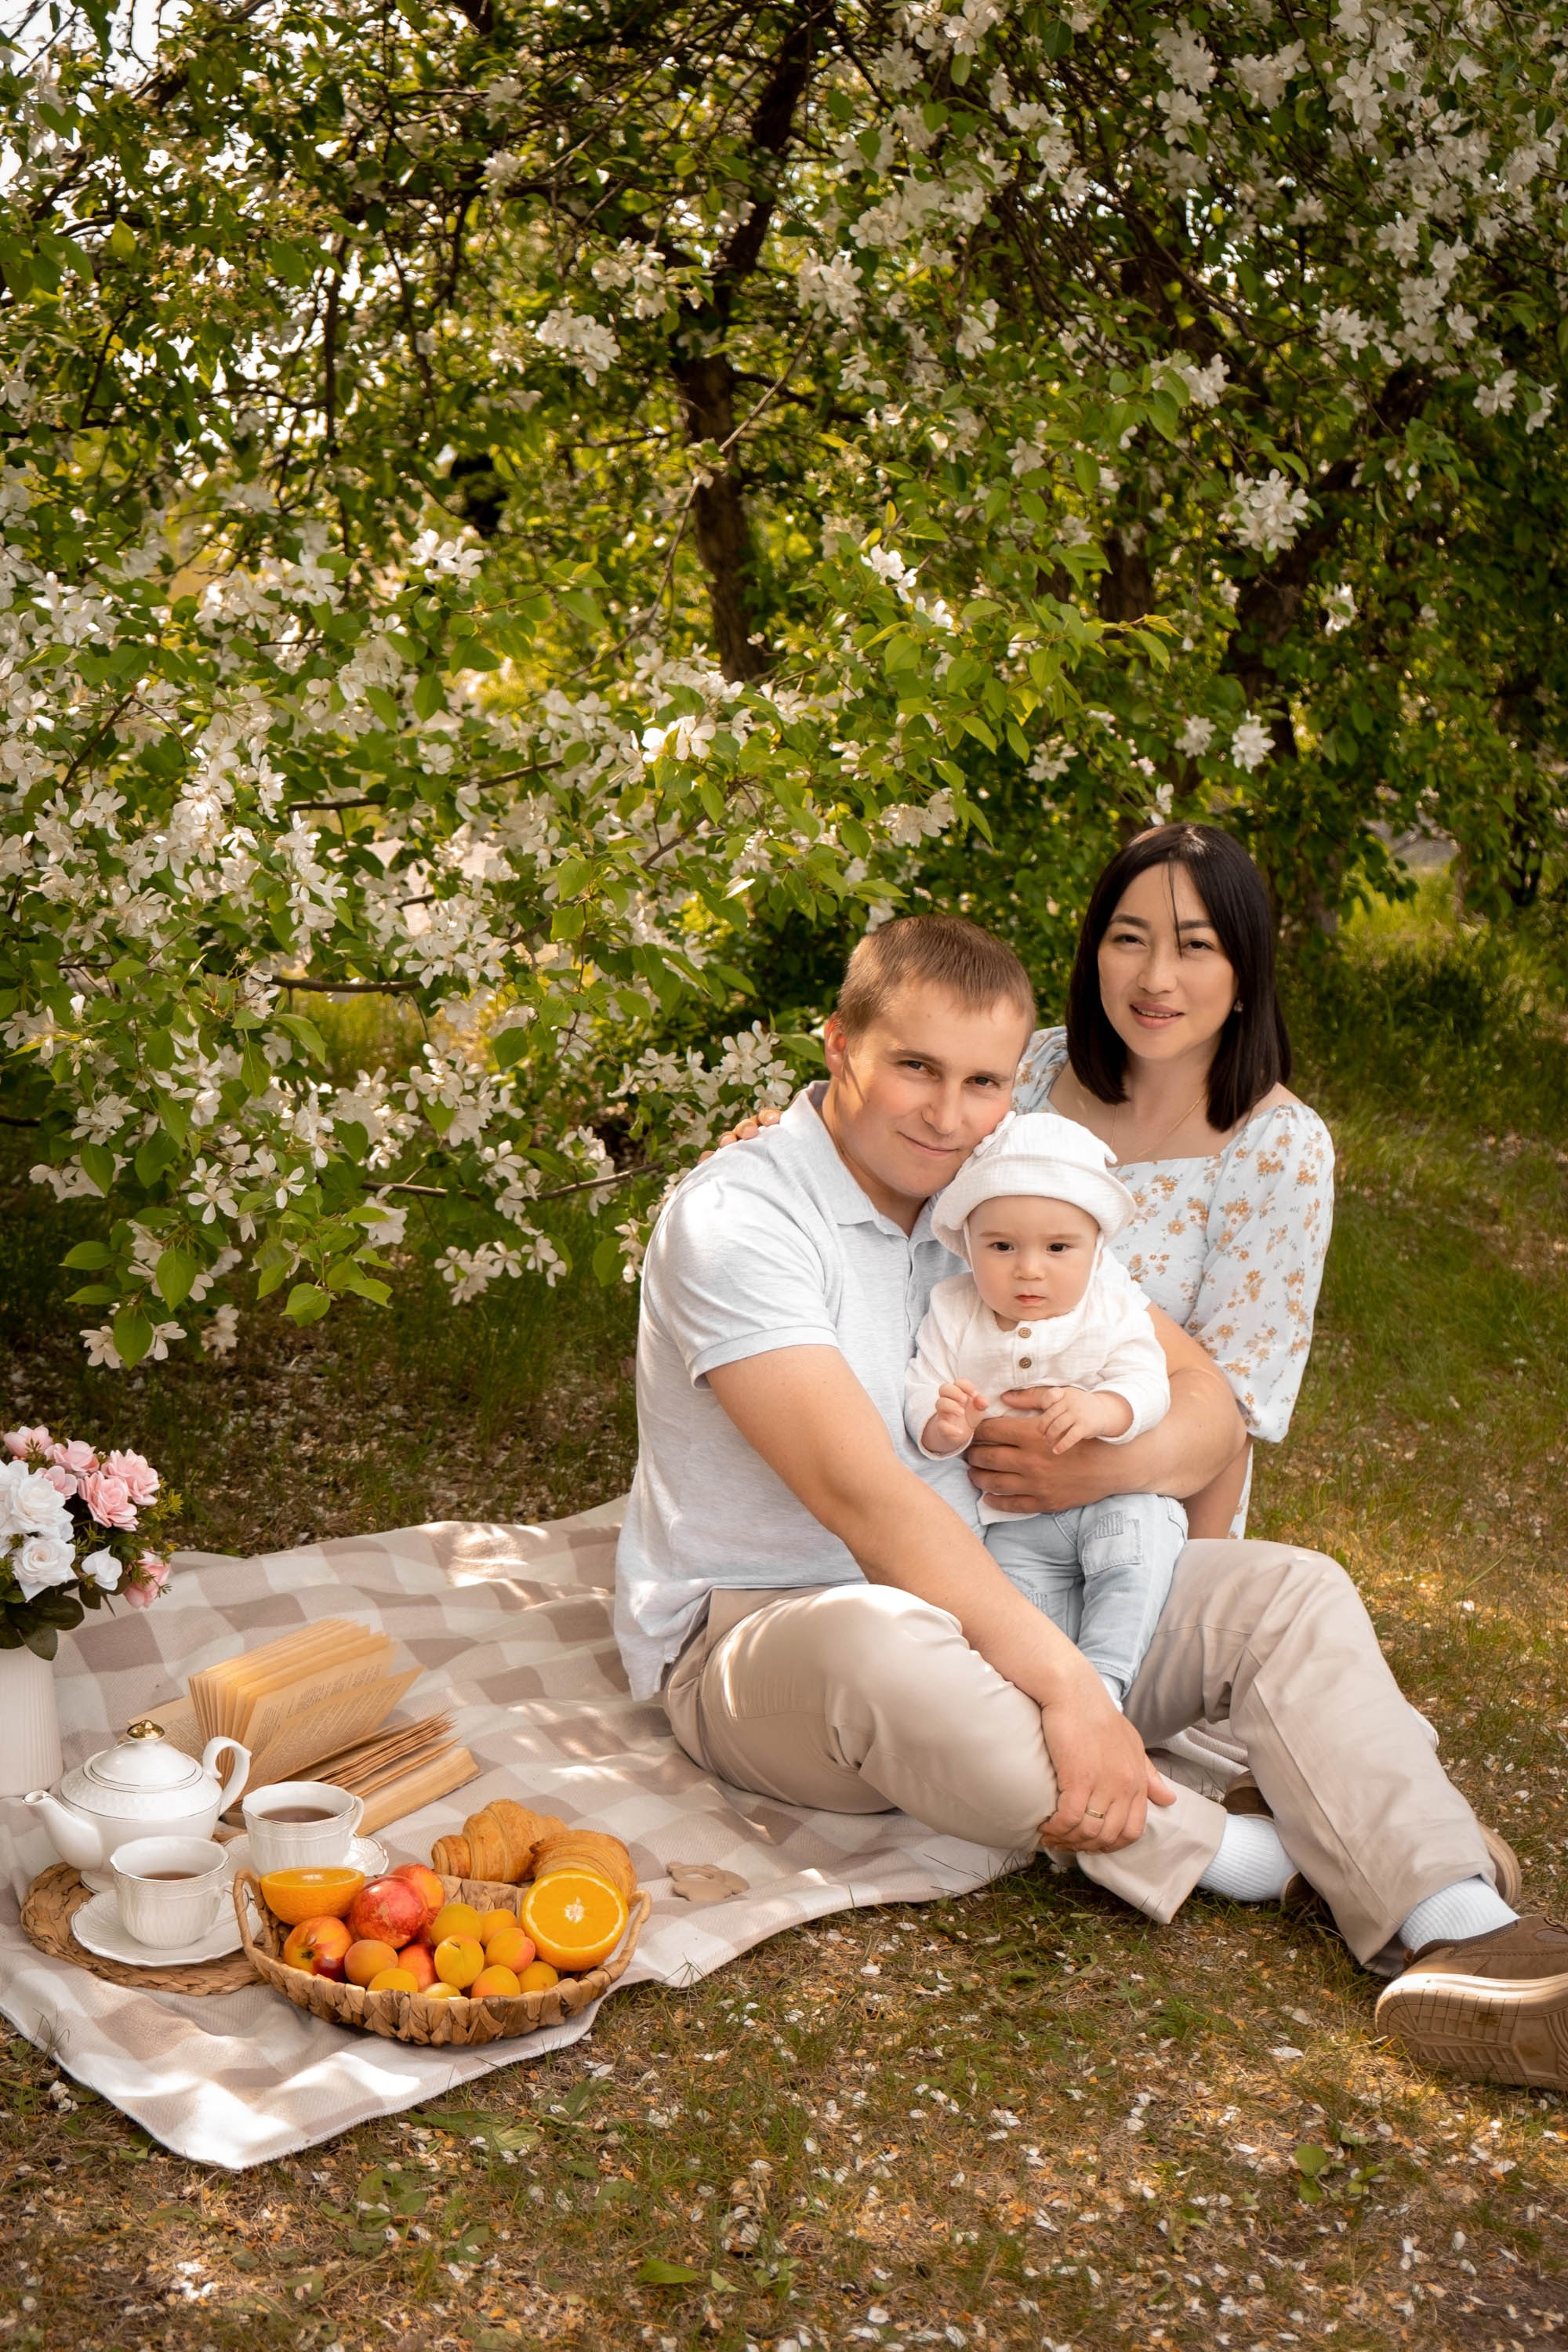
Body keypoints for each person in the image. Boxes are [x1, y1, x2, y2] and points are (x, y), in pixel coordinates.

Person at [615, 906, 1568, 2089]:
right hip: (768, 1632)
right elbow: (868, 1507)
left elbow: (1201, 1390)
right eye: (913, 1067)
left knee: (1287, 1592)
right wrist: (1071, 1688)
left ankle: (1465, 1934)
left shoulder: (988, 1197)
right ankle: (1278, 1859)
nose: (946, 1115)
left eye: (981, 1082)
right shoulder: (741, 1217)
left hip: (1006, 1585)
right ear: (838, 1047)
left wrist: (1109, 1464)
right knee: (889, 1647)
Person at [972, 821, 1333, 1542]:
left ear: (1245, 973)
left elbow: (1235, 1408)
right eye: (1130, 939)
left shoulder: (1278, 1148)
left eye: (1196, 946)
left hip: (1141, 1522)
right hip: (958, 1473)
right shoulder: (1034, 1070)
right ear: (1095, 953)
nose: (1156, 978)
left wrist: (1098, 1475)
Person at [906, 1108, 1186, 1708]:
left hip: (1114, 1498)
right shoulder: (953, 1309)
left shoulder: (1111, 1308)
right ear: (968, 1247)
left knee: (1134, 1558)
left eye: (1058, 1247)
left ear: (1095, 1250)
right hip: (1014, 1522)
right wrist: (943, 1426)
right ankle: (1050, 1700)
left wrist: (1103, 1410)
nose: (1028, 1269)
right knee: (1014, 1616)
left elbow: (1148, 1382)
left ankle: (1107, 1681)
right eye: (1002, 1246)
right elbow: (923, 1387)